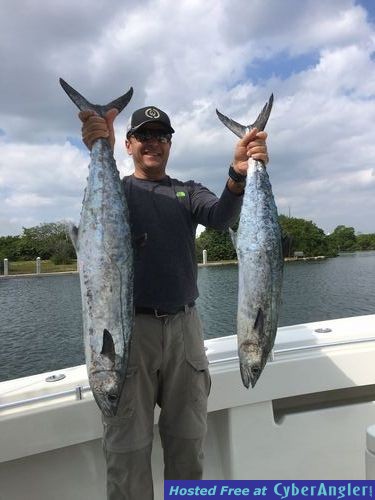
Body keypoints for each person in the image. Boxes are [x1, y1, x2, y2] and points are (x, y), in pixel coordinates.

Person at [79, 104, 269, 500]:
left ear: (169, 144)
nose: (153, 143)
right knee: (126, 450)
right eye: (143, 136)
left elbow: (220, 217)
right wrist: (101, 145)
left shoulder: (187, 192)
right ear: (129, 144)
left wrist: (238, 173)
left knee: (187, 443)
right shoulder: (119, 191)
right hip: (129, 331)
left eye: (161, 136)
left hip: (185, 329)